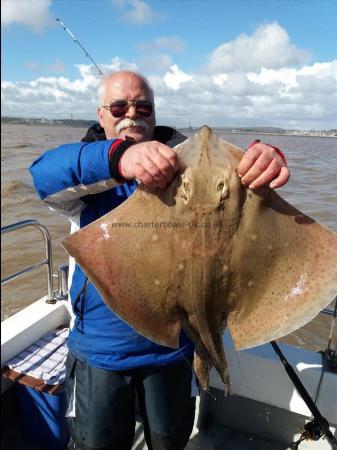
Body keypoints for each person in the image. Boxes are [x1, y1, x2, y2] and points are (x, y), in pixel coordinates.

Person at [29, 70, 290, 450]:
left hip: (175, 349)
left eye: (142, 106)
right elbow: (44, 172)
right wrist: (122, 157)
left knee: (170, 441)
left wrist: (268, 159)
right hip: (103, 351)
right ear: (100, 116)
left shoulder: (191, 163)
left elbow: (257, 185)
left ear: (154, 114)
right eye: (119, 106)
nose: (131, 113)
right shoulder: (85, 183)